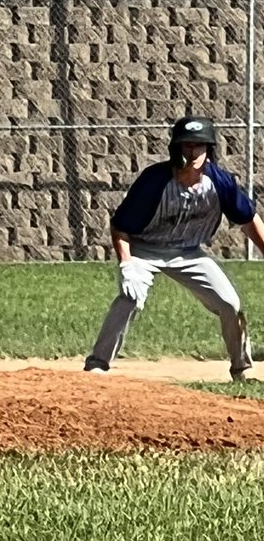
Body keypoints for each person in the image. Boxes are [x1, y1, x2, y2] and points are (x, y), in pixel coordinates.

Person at [84, 115, 263, 381]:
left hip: (188, 252)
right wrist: (127, 263)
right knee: (130, 298)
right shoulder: (154, 180)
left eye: (199, 146)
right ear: (176, 148)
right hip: (144, 250)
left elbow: (249, 221)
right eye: (187, 145)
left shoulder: (220, 182)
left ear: (209, 150)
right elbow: (119, 227)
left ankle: (242, 369)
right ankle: (97, 363)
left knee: (230, 303)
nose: (192, 152)